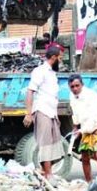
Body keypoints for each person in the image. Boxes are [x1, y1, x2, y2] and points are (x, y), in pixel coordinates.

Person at [23, 45, 65, 180]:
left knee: (55, 145)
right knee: (46, 144)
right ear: (54, 57)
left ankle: (45, 171)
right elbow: (30, 91)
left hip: (51, 113)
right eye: (60, 58)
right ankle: (48, 174)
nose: (61, 61)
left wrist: (56, 115)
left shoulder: (52, 73)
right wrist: (28, 114)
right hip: (42, 111)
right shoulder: (40, 71)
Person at [67, 74, 97, 182]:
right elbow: (75, 113)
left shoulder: (91, 96)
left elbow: (92, 119)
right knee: (84, 156)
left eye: (77, 86)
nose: (75, 89)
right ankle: (89, 182)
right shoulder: (72, 96)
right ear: (69, 87)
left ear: (82, 85)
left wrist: (81, 131)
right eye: (72, 87)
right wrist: (75, 127)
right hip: (86, 127)